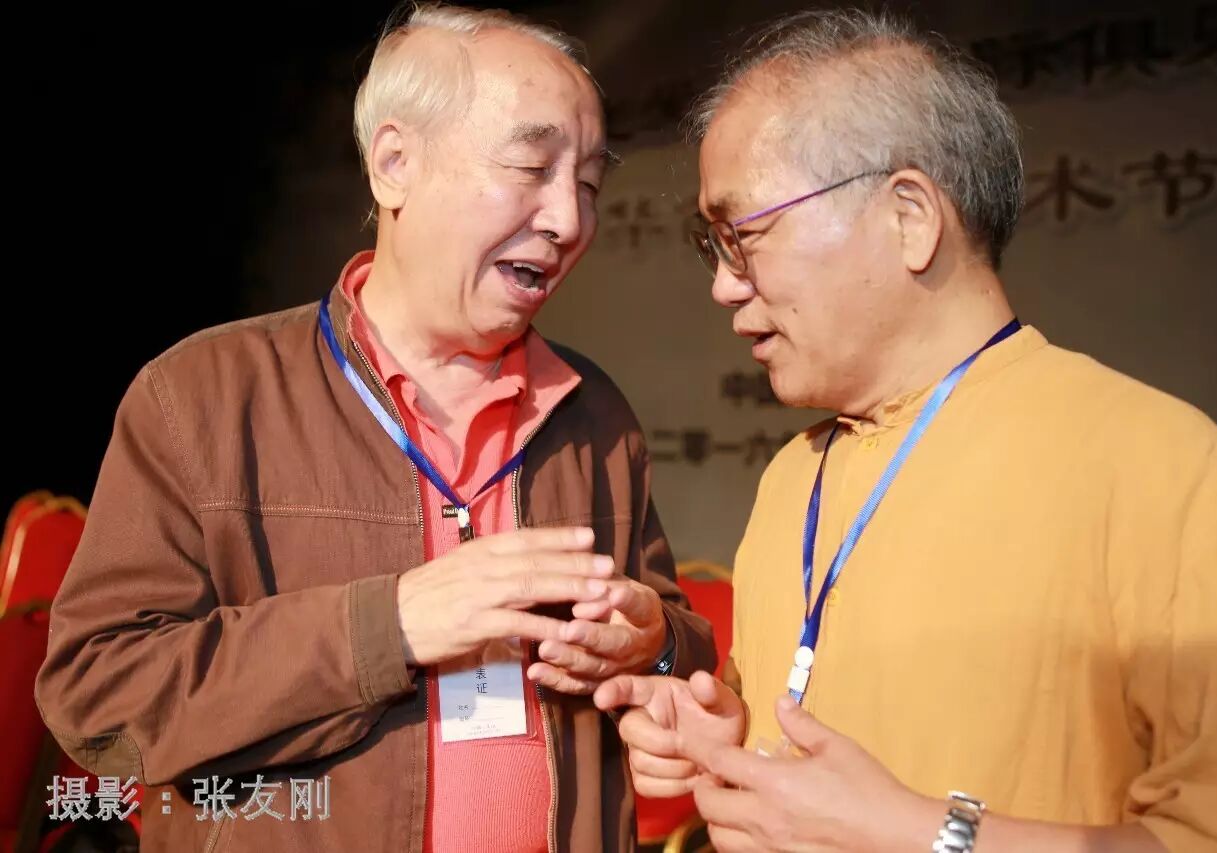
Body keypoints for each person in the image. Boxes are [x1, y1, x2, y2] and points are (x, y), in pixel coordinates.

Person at [596, 9, 1217, 852]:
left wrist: (924, 833)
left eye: (745, 236)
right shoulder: (795, 473)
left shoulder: (1161, 467)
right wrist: (725, 737)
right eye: (715, 245)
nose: (725, 286)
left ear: (910, 217)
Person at [36, 5, 715, 851]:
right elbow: (98, 699)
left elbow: (683, 647)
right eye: (531, 167)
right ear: (395, 164)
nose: (569, 222)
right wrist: (386, 627)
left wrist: (656, 645)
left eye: (586, 185)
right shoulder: (202, 395)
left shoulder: (594, 412)